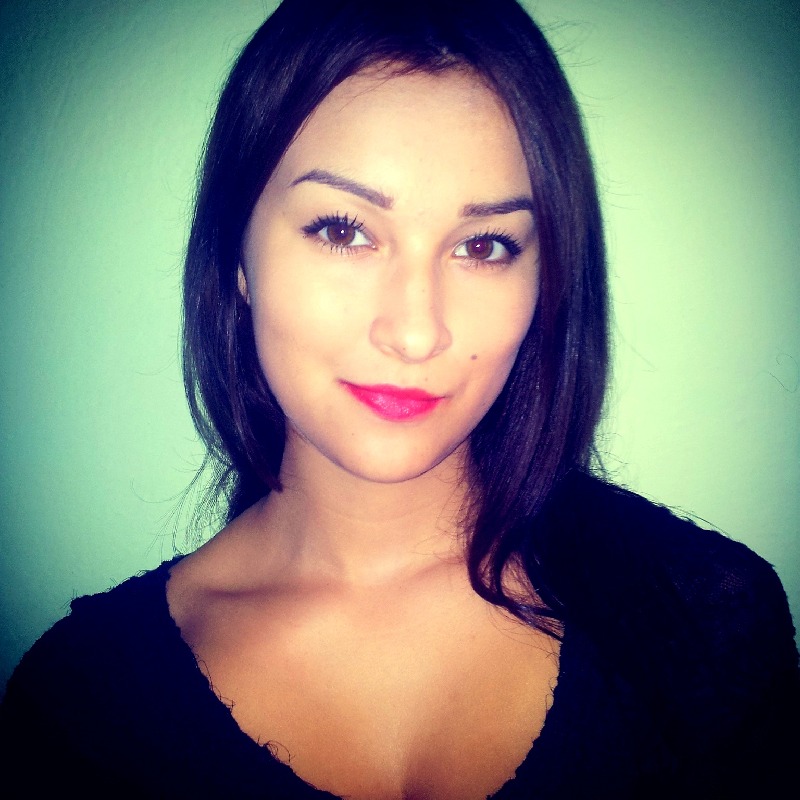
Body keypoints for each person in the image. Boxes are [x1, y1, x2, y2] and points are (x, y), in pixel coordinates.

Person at [1, 0, 797, 797]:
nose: (416, 333)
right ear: (235, 255)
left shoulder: (705, 624)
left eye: (483, 246)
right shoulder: (85, 710)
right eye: (343, 231)